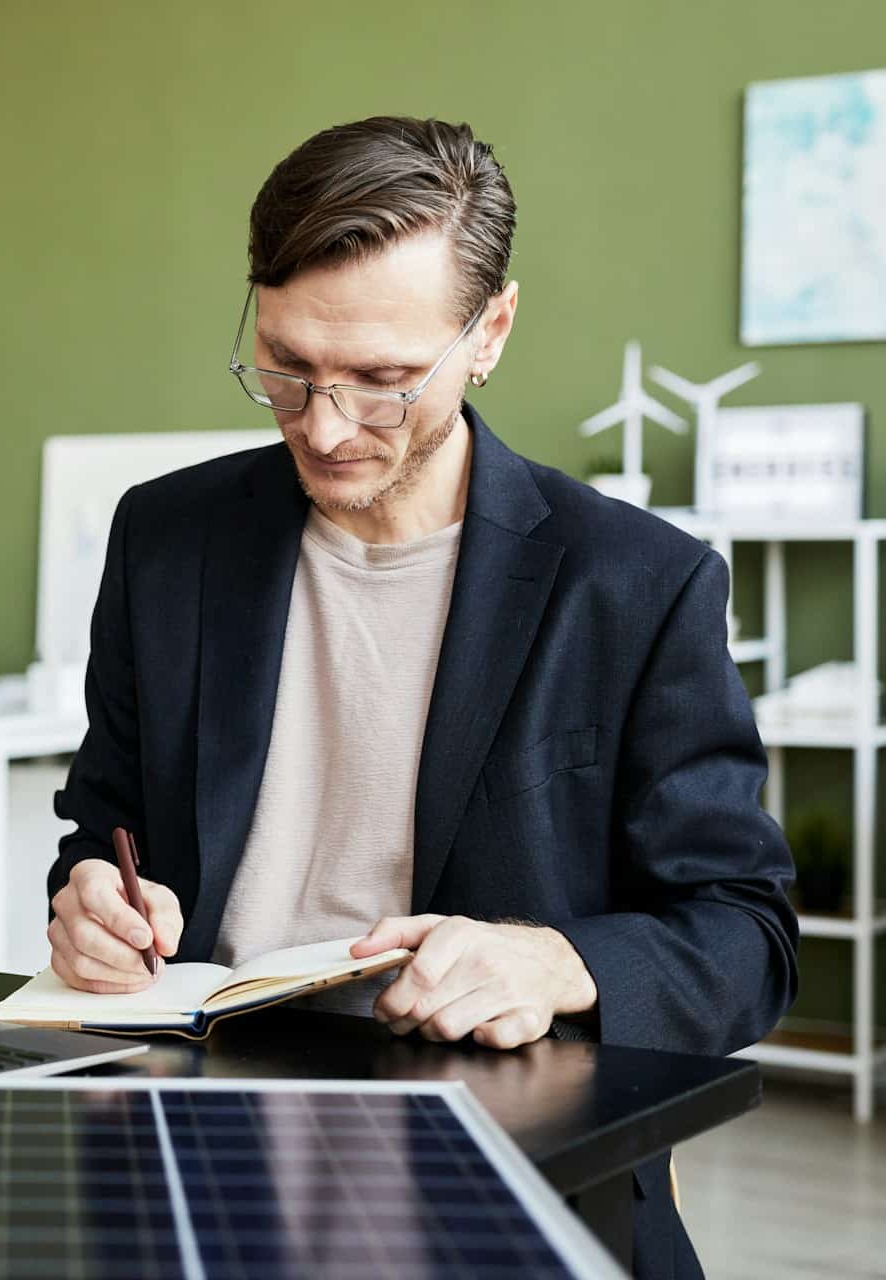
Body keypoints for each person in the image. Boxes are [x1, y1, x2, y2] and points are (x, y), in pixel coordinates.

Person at [45, 117, 797, 1276]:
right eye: (287, 368)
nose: (328, 424)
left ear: (489, 331)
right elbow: (103, 827)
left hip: (504, 1159)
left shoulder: (637, 583)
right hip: (201, 1142)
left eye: (385, 382)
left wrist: (556, 961)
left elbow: (744, 934)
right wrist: (94, 894)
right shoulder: (167, 537)